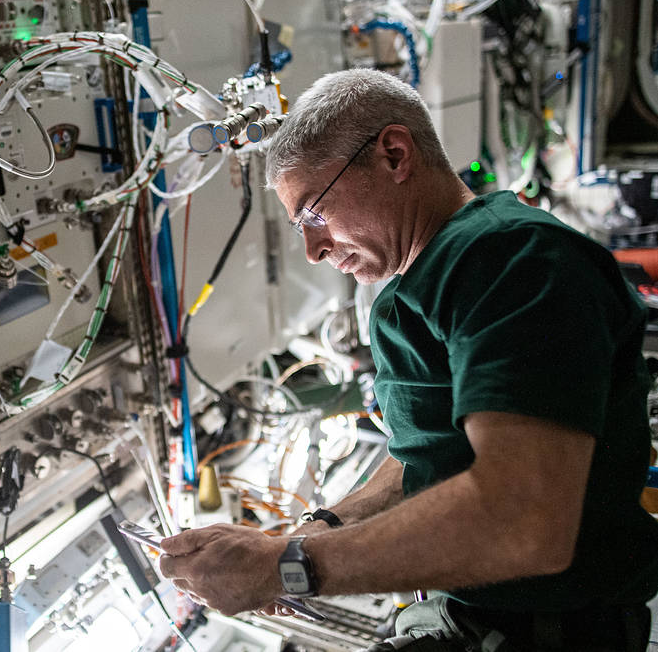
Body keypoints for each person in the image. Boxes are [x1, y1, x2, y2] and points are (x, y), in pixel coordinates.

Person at [158, 68, 658, 651]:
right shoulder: (419, 286)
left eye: (314, 215)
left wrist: (288, 565)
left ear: (394, 154)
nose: (313, 250)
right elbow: (425, 455)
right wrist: (319, 528)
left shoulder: (510, 261)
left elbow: (526, 523)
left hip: (548, 633)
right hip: (469, 615)